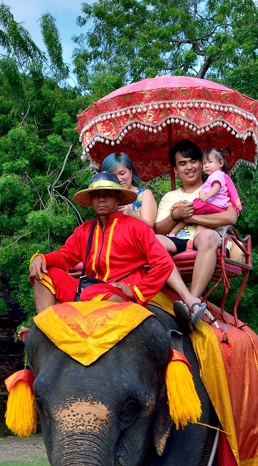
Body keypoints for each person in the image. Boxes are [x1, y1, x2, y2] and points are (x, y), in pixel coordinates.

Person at [28, 171, 207, 326]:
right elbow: (65, 256)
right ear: (91, 200)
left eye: (108, 194)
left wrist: (137, 291)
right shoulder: (84, 230)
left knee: (92, 293)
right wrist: (42, 259)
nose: (102, 199)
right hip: (87, 290)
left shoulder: (136, 227)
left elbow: (163, 264)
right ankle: (46, 329)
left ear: (118, 197)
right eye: (97, 195)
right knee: (42, 273)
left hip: (119, 294)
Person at [155, 140, 239, 329]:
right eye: (182, 163)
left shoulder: (216, 185)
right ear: (175, 169)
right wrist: (176, 215)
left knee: (207, 236)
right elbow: (159, 230)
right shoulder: (169, 197)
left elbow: (231, 216)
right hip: (179, 241)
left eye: (193, 161)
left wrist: (194, 218)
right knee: (153, 241)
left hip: (209, 239)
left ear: (202, 164)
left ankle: (192, 301)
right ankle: (189, 299)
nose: (189, 167)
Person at [101, 152, 157, 227]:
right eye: (113, 176)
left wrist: (134, 215)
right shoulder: (105, 198)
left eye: (122, 173)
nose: (119, 179)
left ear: (130, 171)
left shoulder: (144, 194)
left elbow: (150, 226)